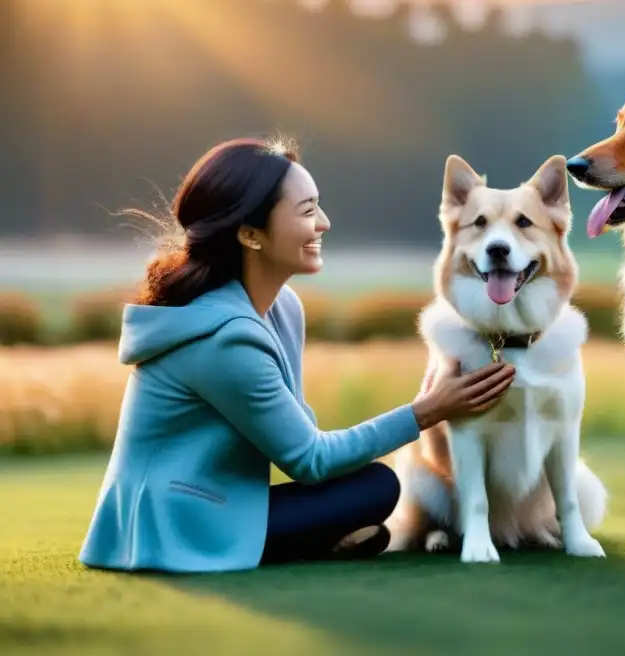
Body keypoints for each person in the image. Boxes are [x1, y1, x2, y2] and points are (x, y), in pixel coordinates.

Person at [78, 137, 515, 573]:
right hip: (175, 523)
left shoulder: (283, 308)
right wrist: (427, 412)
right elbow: (310, 461)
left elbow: (303, 437)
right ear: (250, 235)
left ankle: (324, 538)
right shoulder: (224, 340)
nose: (323, 223)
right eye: (306, 212)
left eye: (318, 206)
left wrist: (424, 408)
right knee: (374, 487)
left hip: (226, 500)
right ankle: (320, 540)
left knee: (373, 485)